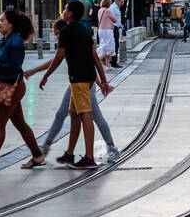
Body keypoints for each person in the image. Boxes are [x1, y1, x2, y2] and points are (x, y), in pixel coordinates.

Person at [25, 17, 120, 164]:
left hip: (82, 83)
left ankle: (108, 149)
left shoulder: (70, 38)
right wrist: (100, 83)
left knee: (91, 115)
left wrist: (100, 83)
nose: (56, 37)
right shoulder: (74, 38)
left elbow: (65, 61)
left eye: (56, 33)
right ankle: (62, 152)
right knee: (66, 114)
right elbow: (81, 61)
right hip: (79, 83)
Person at [0, 7, 44, 171]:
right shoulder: (6, 40)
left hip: (13, 86)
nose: (0, 23)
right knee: (20, 123)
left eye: (3, 20)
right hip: (8, 84)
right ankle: (37, 155)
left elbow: (15, 66)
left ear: (11, 24)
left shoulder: (16, 42)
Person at [36, 0, 104, 169]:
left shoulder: (66, 31)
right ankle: (69, 154)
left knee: (85, 115)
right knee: (74, 115)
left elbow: (59, 57)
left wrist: (46, 75)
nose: (64, 10)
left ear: (71, 13)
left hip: (79, 78)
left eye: (66, 8)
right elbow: (94, 56)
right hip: (87, 77)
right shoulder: (85, 30)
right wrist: (103, 80)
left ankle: (89, 158)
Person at [96, 0, 116, 68]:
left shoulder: (100, 10)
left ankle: (108, 65)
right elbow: (115, 19)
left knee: (104, 46)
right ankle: (96, 60)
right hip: (107, 30)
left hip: (101, 30)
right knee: (109, 47)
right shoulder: (107, 11)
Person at [110, 0, 125, 67]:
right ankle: (113, 62)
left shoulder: (116, 8)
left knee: (116, 45)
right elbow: (110, 19)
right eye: (122, 2)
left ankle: (113, 61)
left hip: (116, 28)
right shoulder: (112, 8)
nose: (122, 4)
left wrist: (120, 24)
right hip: (113, 29)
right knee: (115, 45)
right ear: (117, 1)